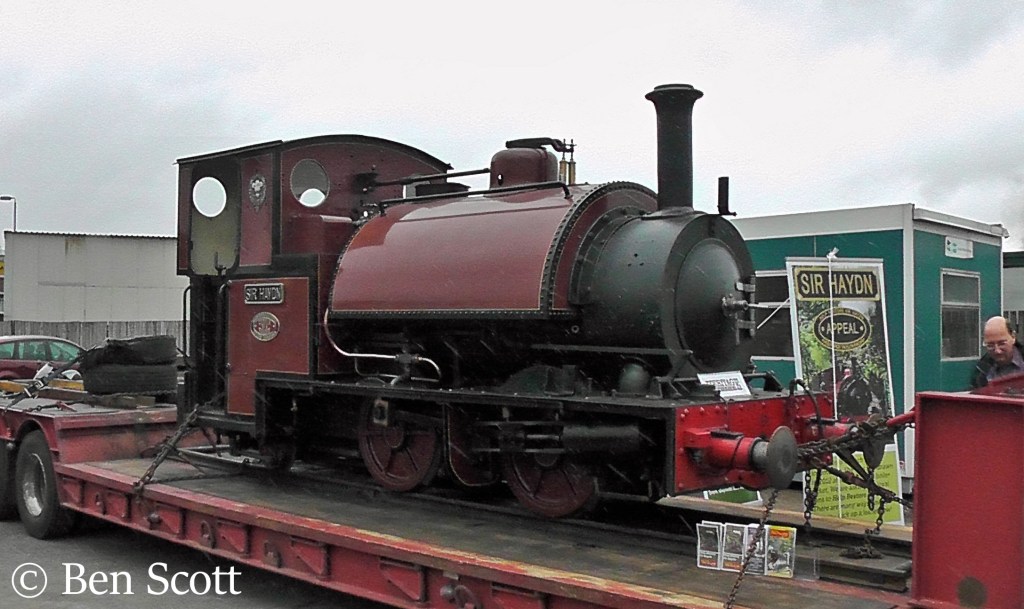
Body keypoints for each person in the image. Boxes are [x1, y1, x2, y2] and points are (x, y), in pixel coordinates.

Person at [971, 316, 1024, 388]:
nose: (997, 351)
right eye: (990, 345)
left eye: (1002, 343)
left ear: (1013, 337)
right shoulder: (981, 371)